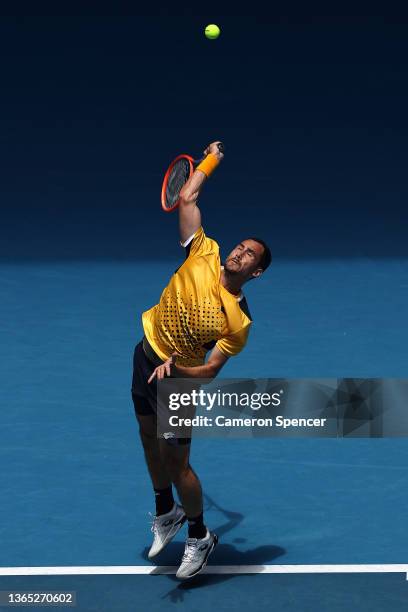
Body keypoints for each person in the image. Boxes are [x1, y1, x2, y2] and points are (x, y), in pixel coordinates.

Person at [131, 141, 272, 580]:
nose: (239, 252)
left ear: (257, 272)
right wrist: (212, 159)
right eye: (240, 246)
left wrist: (177, 371)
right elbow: (187, 197)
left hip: (177, 381)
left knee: (178, 463)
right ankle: (164, 511)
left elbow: (210, 371)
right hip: (145, 352)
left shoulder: (239, 322)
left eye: (250, 254)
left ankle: (199, 535)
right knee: (147, 440)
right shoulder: (204, 251)